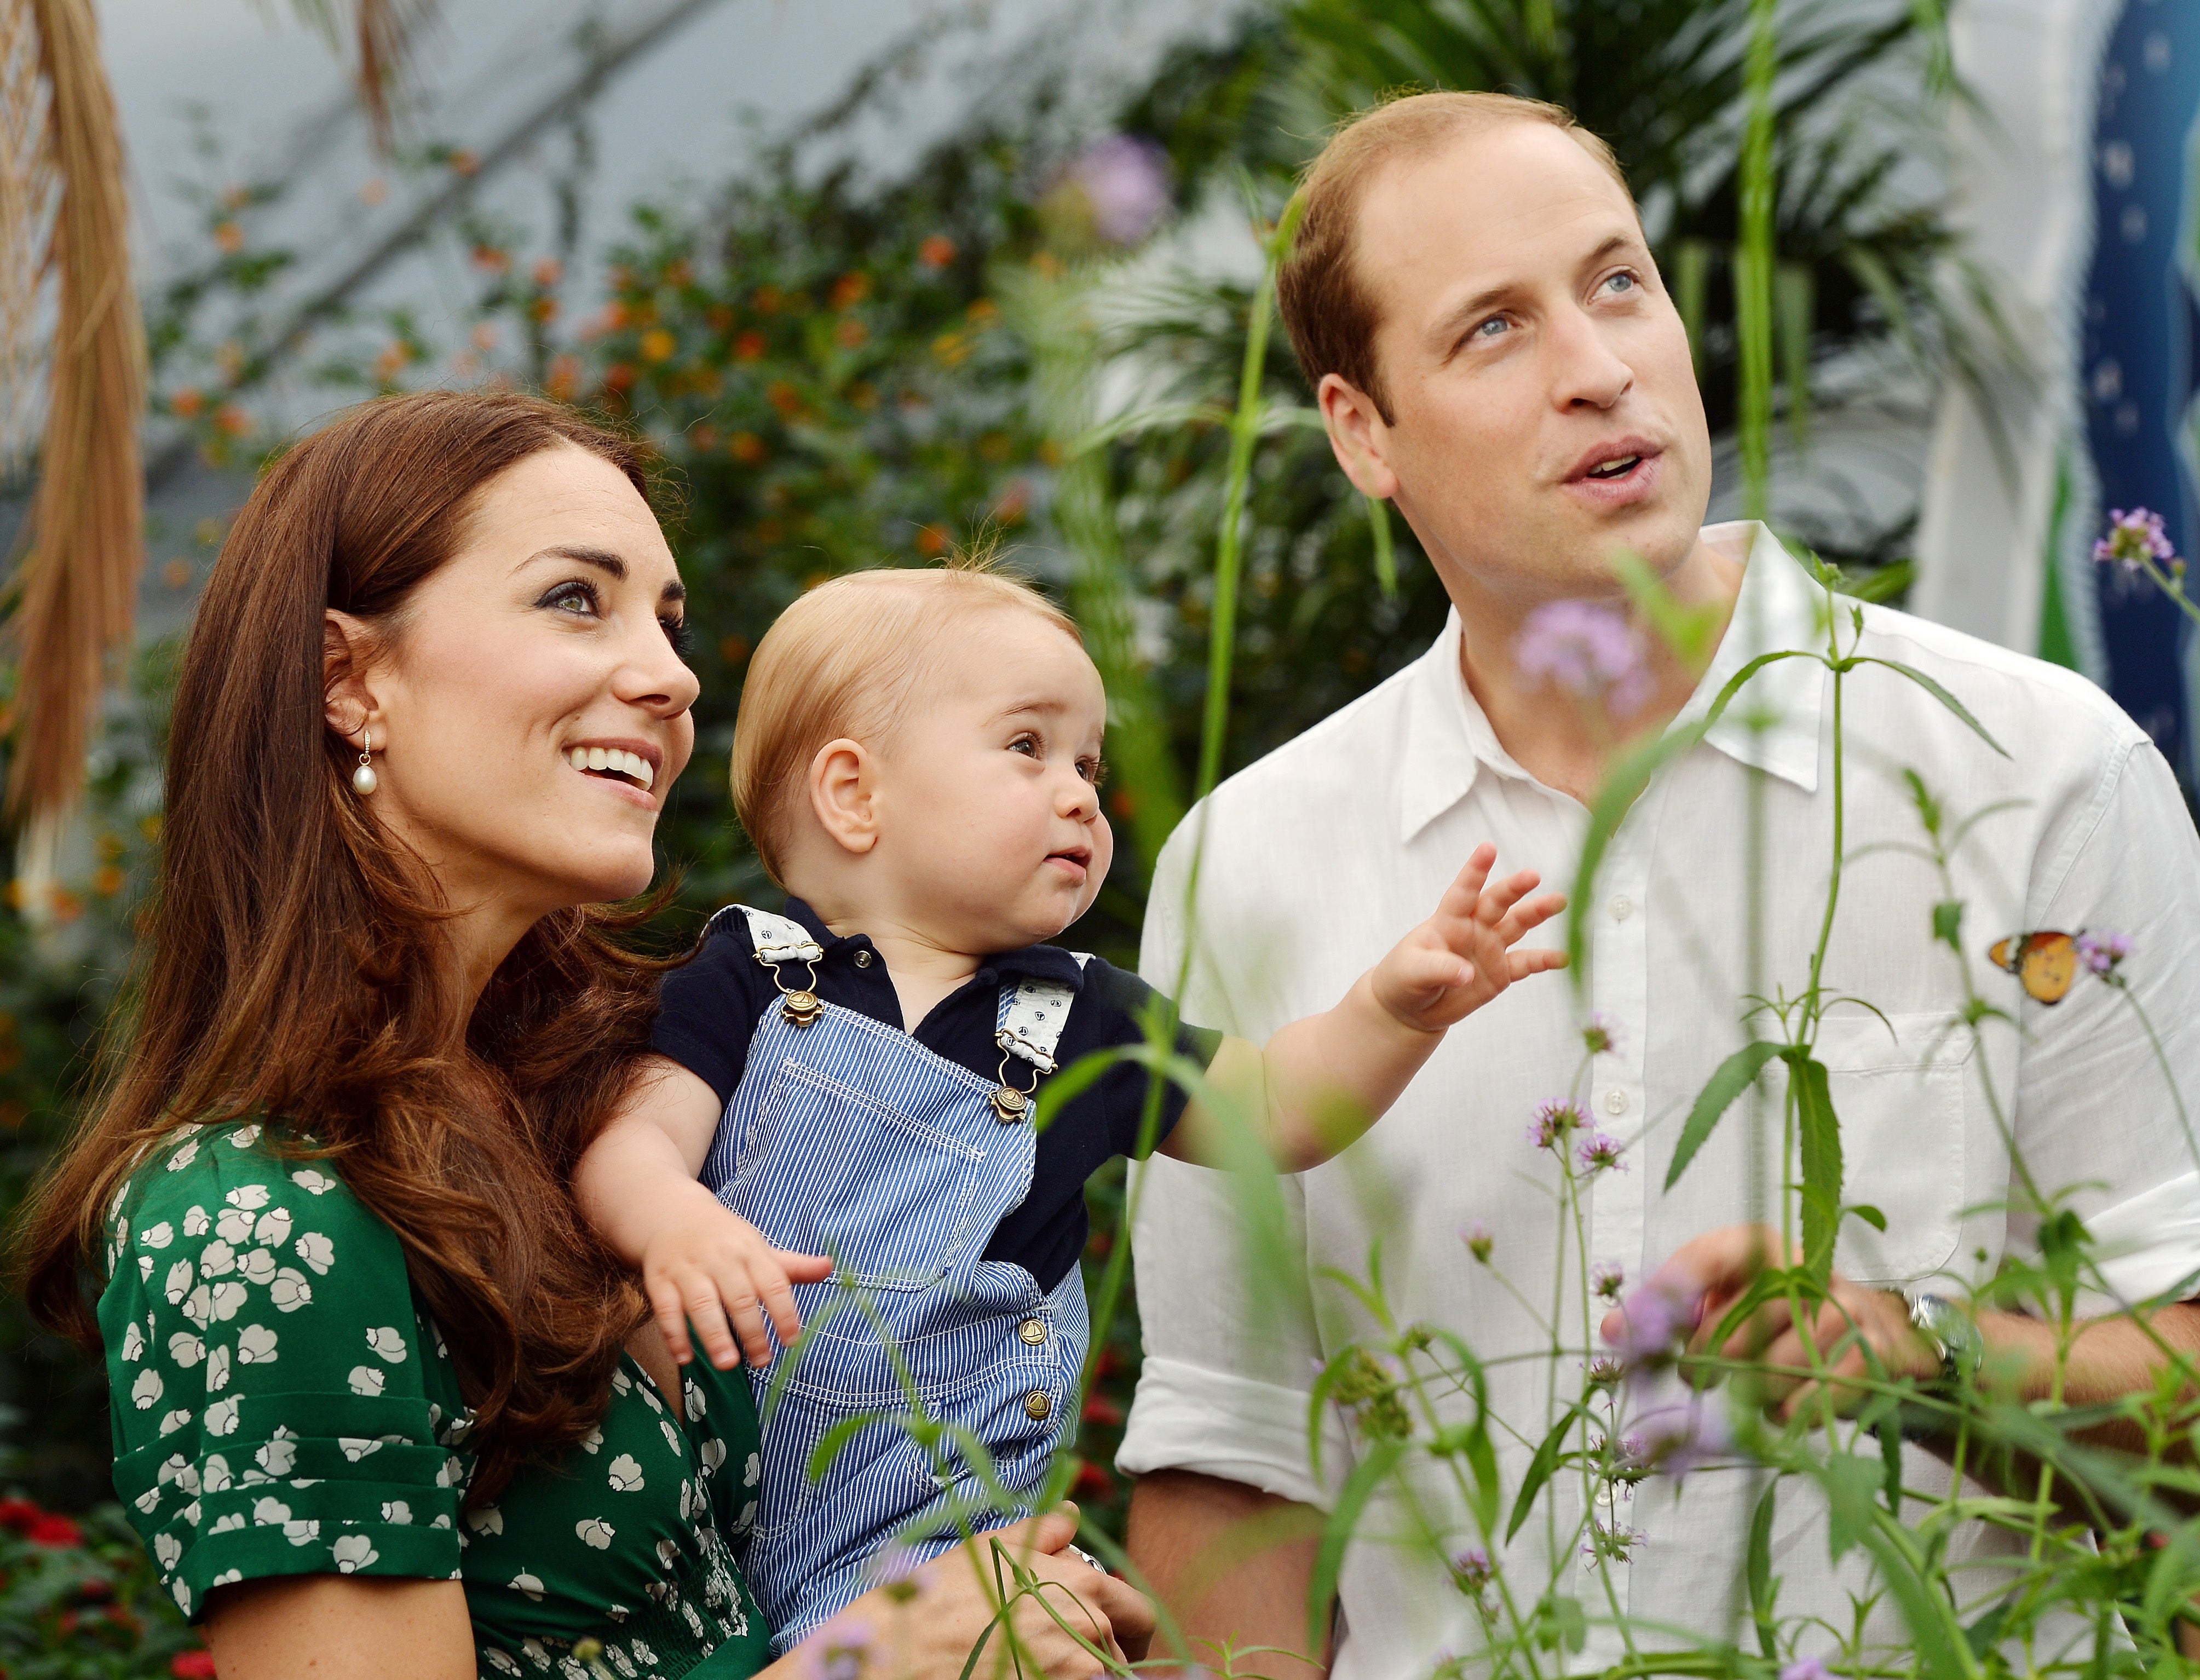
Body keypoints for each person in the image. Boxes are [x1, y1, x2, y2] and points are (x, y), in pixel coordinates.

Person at [1115, 91, 2200, 1676]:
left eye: (1616, 280)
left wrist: (1930, 1365)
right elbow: (1234, 1456)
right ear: (1363, 433)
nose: (1598, 365)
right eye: (1493, 328)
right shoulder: (1250, 857)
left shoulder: (2036, 769)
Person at [17, 391, 1153, 1680]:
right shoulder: (256, 1216)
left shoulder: (599, 1110)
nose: (671, 677)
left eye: (669, 624)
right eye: (575, 598)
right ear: (349, 682)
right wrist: (876, 1657)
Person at [567, 560, 1570, 1652]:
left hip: (958, 1562)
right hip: (713, 1540)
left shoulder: (1081, 1017)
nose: (1080, 792)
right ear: (854, 793)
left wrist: (1391, 1009)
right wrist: (674, 1221)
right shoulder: (750, 978)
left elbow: (1278, 1108)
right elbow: (632, 1143)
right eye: (1026, 747)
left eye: (1088, 762)